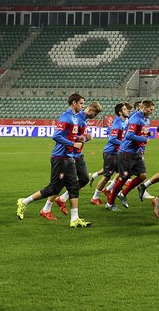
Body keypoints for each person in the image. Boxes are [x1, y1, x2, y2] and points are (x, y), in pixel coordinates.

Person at [15, 93, 94, 228]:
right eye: (81, 103)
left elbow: (70, 135)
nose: (83, 106)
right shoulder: (66, 117)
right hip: (60, 157)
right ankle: (24, 201)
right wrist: (72, 144)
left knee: (74, 187)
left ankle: (74, 219)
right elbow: (56, 136)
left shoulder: (75, 118)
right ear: (74, 103)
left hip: (68, 158)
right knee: (53, 188)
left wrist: (81, 138)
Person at [40, 101, 103, 221]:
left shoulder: (83, 120)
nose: (94, 117)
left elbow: (79, 137)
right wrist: (85, 138)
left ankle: (62, 199)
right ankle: (46, 208)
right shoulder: (77, 118)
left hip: (77, 154)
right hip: (71, 155)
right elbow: (72, 138)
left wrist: (85, 138)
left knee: (84, 179)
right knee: (60, 183)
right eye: (94, 114)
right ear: (90, 109)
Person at [106, 99, 156, 208]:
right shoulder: (135, 118)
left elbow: (140, 131)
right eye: (150, 109)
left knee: (143, 176)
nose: (152, 112)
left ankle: (123, 194)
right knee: (123, 178)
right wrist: (143, 138)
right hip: (126, 152)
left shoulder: (146, 119)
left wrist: (147, 133)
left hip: (137, 152)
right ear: (144, 107)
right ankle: (110, 203)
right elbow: (129, 135)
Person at [90, 102, 130, 205]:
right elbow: (112, 139)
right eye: (125, 109)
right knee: (107, 175)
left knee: (123, 172)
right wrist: (123, 144)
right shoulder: (118, 124)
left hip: (116, 153)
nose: (127, 111)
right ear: (120, 112)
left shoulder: (123, 122)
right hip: (111, 153)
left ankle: (108, 189)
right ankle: (95, 197)